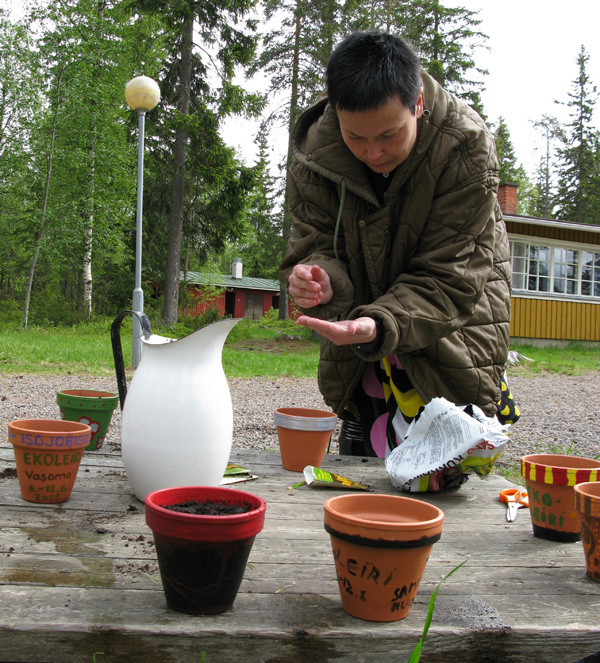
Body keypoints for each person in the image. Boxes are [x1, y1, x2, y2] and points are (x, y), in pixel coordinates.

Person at [279, 31, 519, 469]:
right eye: (355, 138)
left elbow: (450, 277)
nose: (374, 152)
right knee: (363, 479)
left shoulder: (465, 147)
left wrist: (378, 321)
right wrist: (318, 279)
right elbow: (313, 244)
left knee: (444, 486)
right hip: (362, 349)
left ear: (419, 103)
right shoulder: (314, 152)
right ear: (336, 113)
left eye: (390, 135)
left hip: (450, 336)